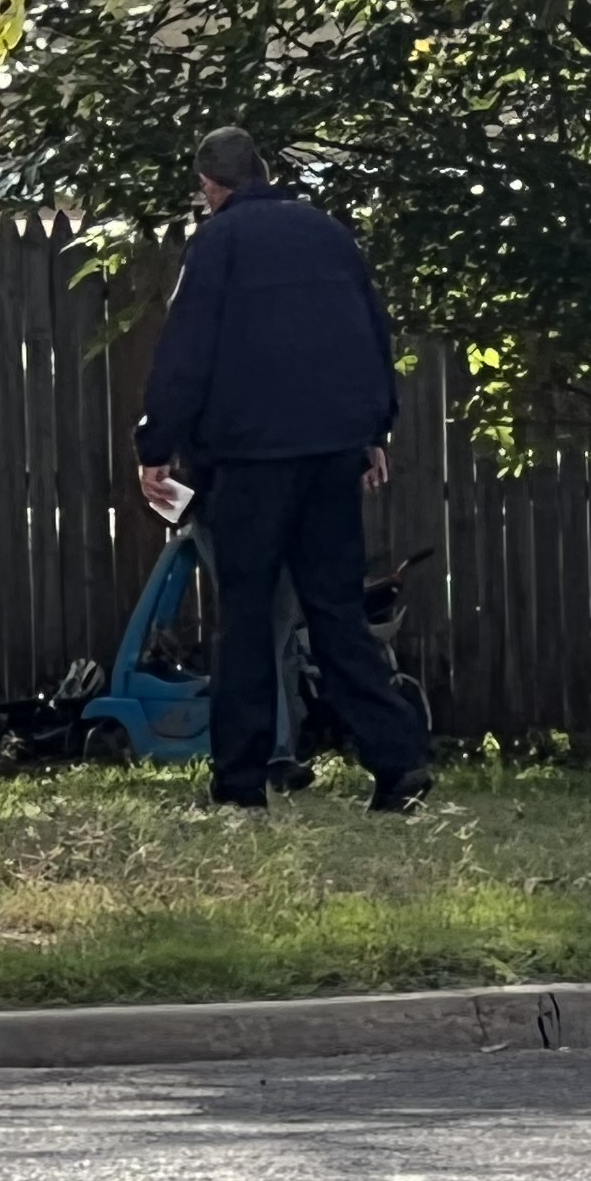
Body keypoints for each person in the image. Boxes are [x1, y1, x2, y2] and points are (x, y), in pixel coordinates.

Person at [134, 126, 434, 811]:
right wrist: (373, 428)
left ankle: (242, 779)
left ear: (212, 186)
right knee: (335, 612)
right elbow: (369, 332)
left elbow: (185, 355)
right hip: (331, 451)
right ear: (264, 171)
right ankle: (397, 763)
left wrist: (155, 446)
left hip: (247, 461)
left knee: (246, 616)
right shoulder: (328, 235)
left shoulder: (217, 244)